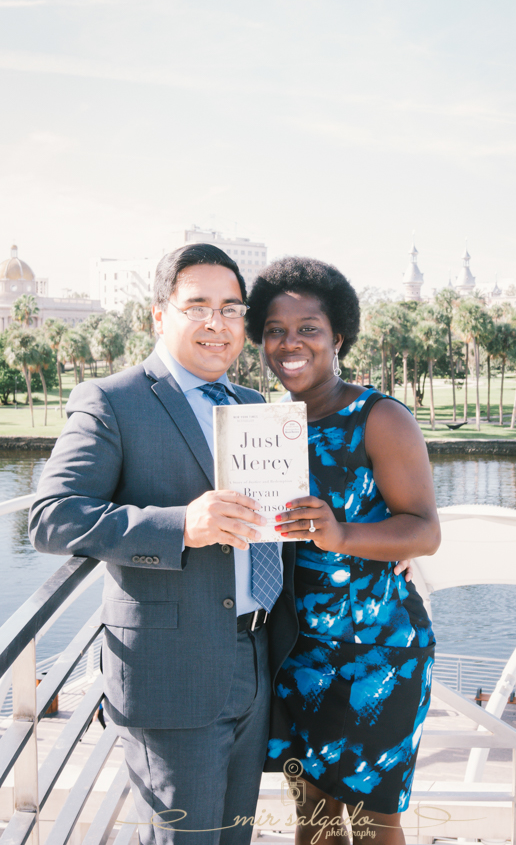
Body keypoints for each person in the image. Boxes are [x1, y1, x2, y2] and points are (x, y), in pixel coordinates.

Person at [29, 244, 298, 845]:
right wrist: (181, 525)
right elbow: (52, 518)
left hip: (255, 662)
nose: (216, 323)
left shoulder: (255, 407)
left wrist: (373, 546)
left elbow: (274, 523)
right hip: (170, 677)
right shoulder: (112, 401)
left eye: (231, 309)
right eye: (196, 305)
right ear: (158, 314)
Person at [246, 257, 440, 845]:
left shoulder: (379, 417)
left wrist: (344, 536)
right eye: (275, 330)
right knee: (316, 819)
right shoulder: (262, 424)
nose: (290, 342)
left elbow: (425, 530)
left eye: (308, 328)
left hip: (377, 652)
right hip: (295, 653)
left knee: (377, 821)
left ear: (339, 338)